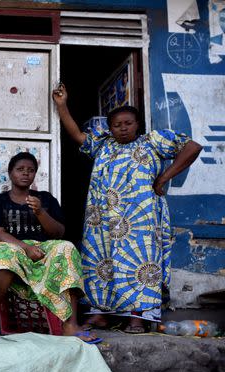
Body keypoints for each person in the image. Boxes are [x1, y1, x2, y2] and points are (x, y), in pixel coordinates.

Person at [52, 84, 202, 333]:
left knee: (139, 264)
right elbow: (78, 136)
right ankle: (101, 315)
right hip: (102, 219)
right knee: (101, 263)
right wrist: (61, 106)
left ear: (137, 124)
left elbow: (192, 147)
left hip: (140, 218)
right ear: (109, 128)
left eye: (128, 123)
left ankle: (137, 318)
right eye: (117, 125)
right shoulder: (104, 145)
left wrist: (164, 178)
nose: (122, 128)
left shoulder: (153, 142)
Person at [0, 152, 98, 342]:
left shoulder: (45, 199)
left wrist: (39, 212)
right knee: (1, 255)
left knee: (67, 248)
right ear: (10, 173)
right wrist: (25, 248)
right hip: (14, 247)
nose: (25, 173)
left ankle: (70, 325)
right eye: (20, 169)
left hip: (44, 249)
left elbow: (58, 233)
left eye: (30, 170)